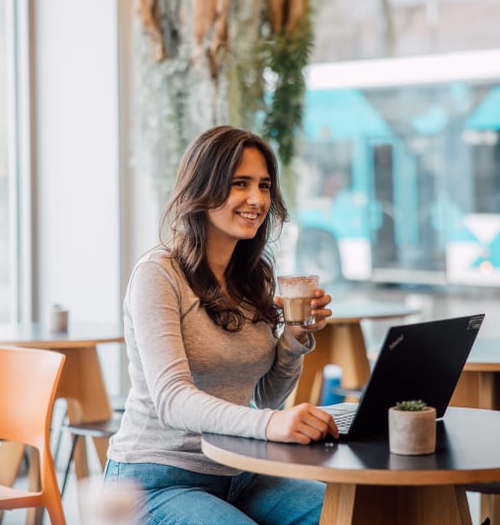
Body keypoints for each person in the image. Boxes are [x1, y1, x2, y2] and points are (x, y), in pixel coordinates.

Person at [105, 125, 338, 525]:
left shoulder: (254, 276)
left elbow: (264, 397)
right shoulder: (158, 275)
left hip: (240, 471)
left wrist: (294, 339)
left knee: (348, 513)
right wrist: (271, 425)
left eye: (264, 186)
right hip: (156, 479)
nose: (257, 199)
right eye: (240, 184)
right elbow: (173, 398)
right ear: (203, 189)